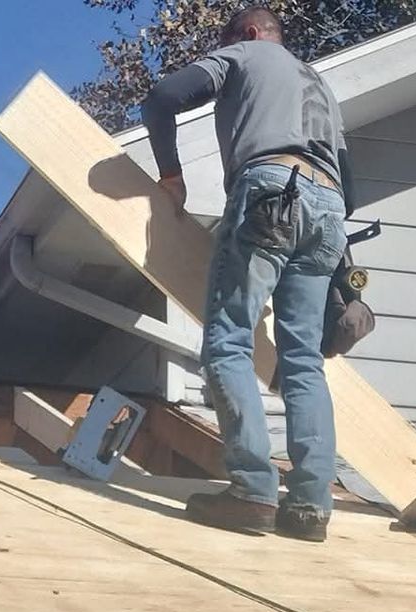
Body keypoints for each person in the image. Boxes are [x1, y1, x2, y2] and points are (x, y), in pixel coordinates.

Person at [142, 6, 350, 542]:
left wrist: (171, 176)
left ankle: (253, 490)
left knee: (230, 340)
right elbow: (350, 182)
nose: (222, 45)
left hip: (270, 190)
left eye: (226, 37)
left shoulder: (247, 53)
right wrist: (345, 281)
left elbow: (162, 99)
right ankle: (309, 506)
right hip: (329, 209)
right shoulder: (320, 85)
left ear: (253, 34)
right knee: (303, 360)